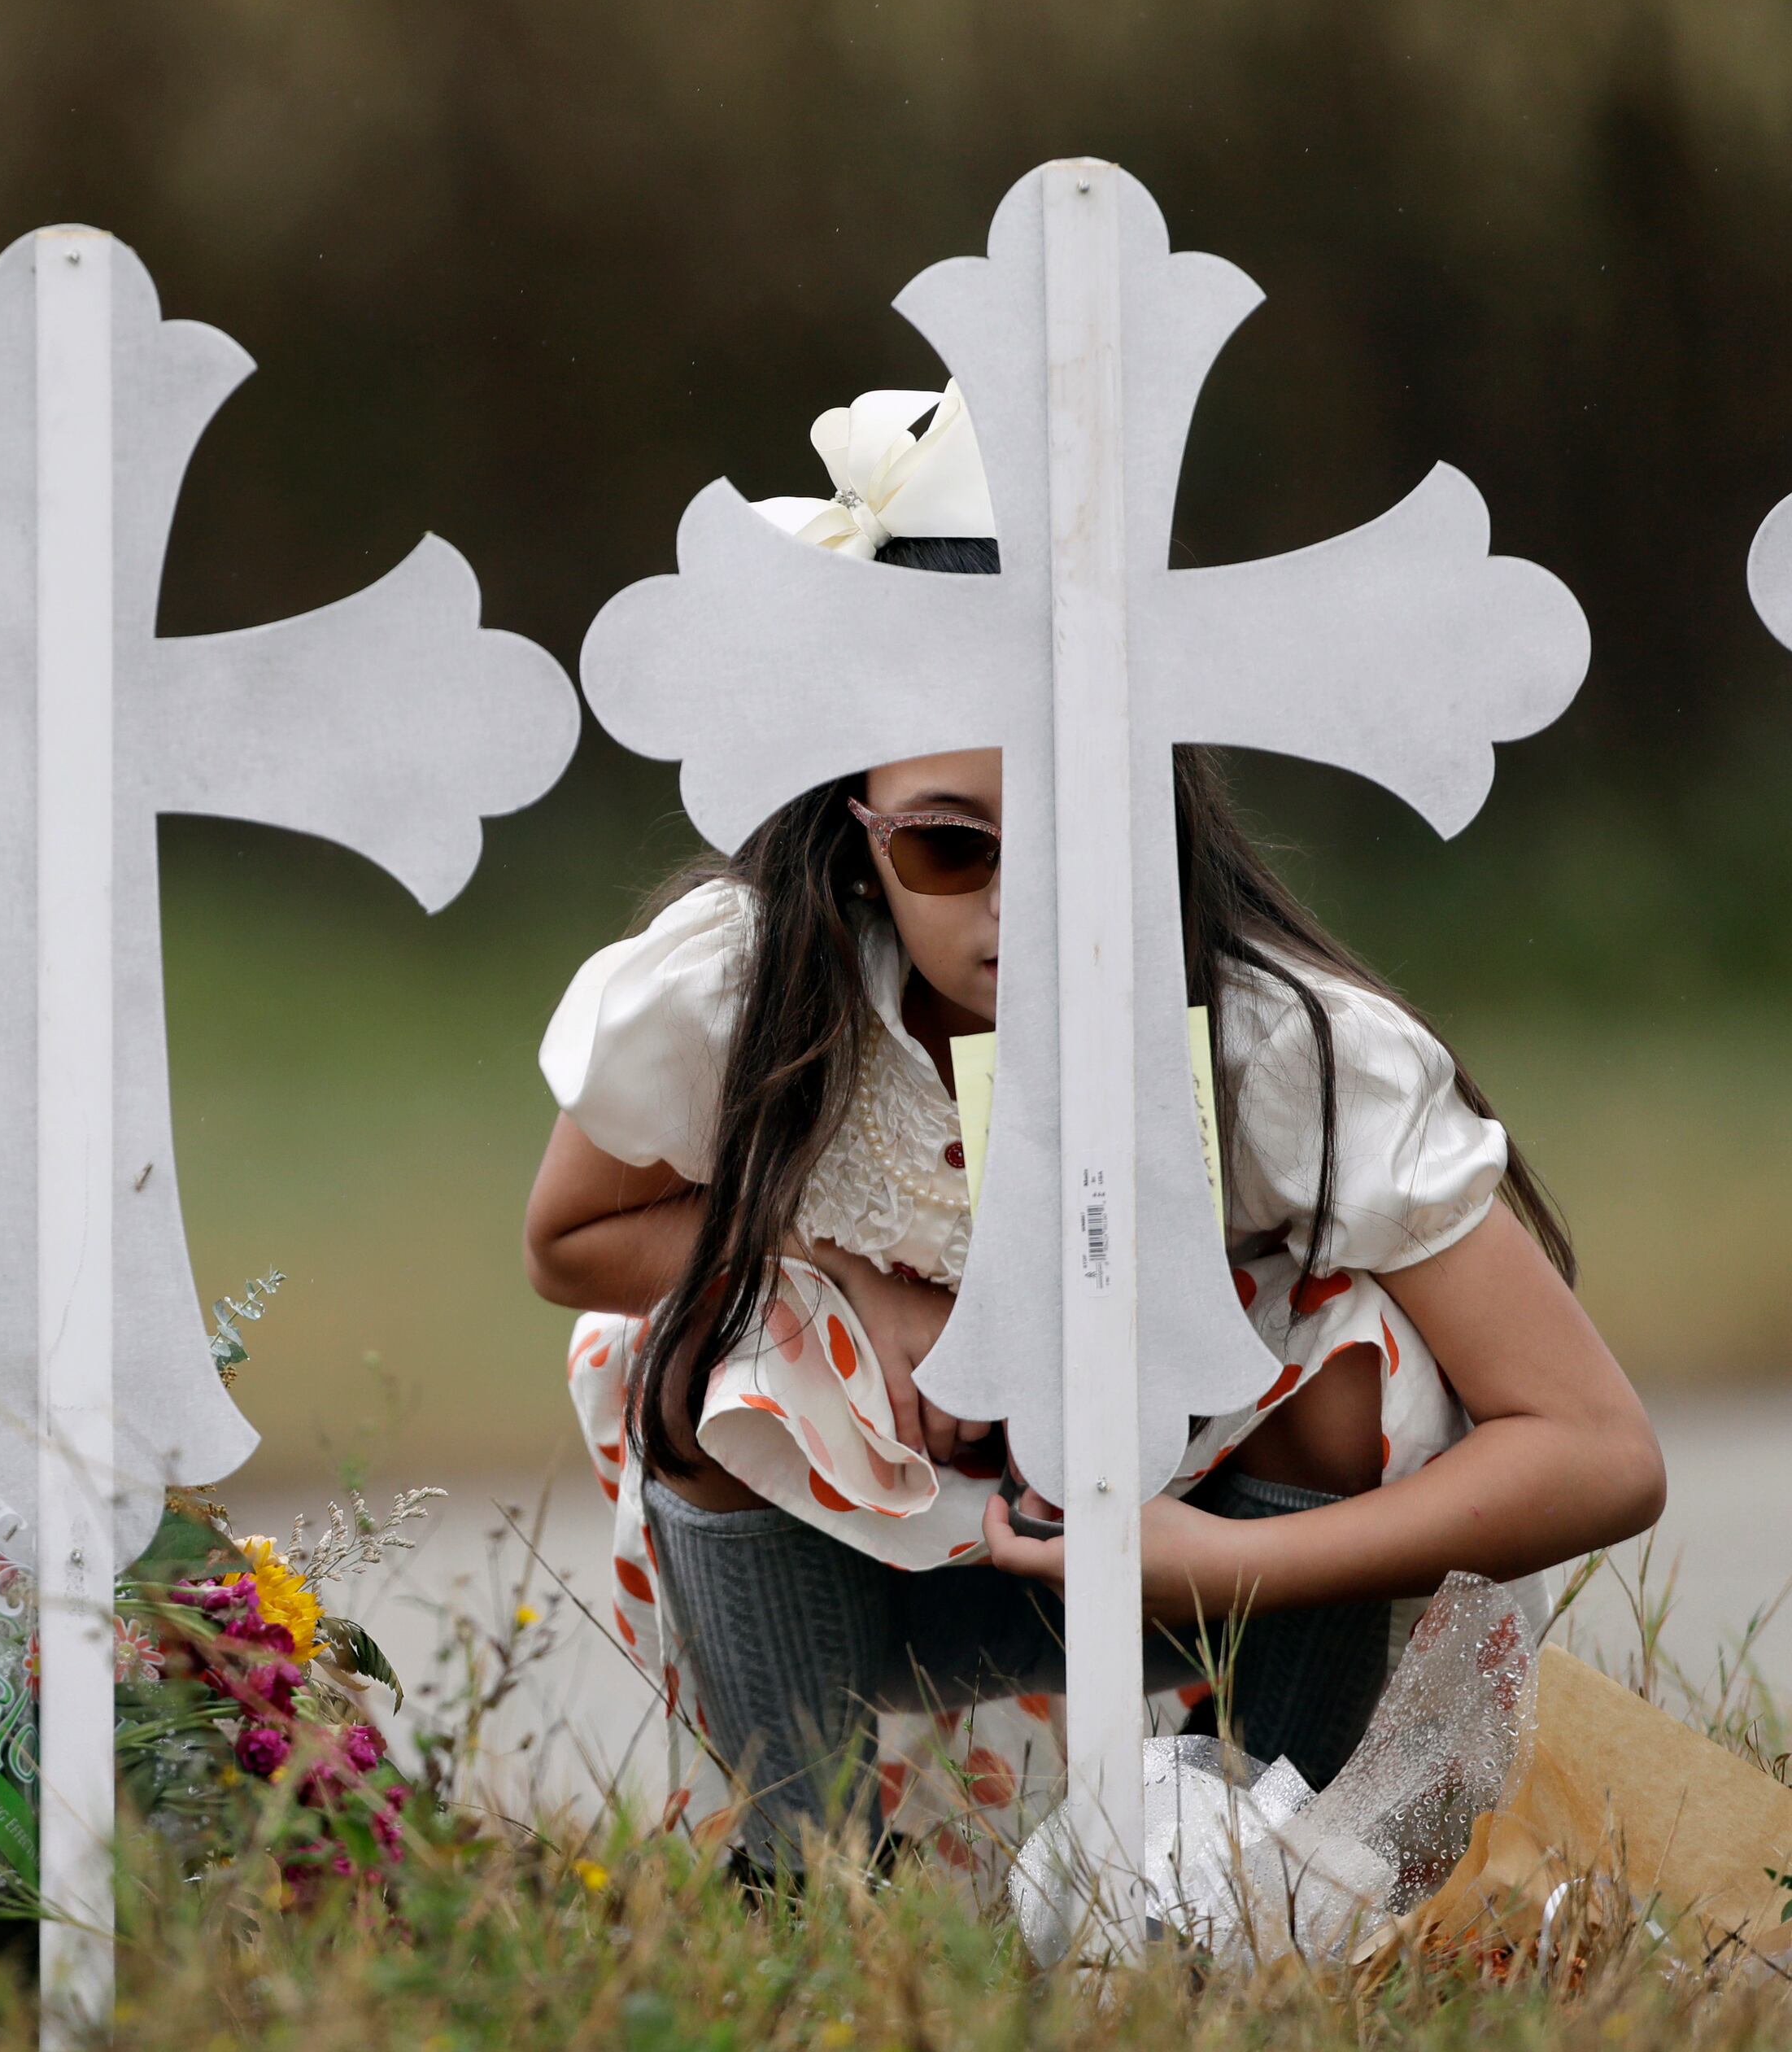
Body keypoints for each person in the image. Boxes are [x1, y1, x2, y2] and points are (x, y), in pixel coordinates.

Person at [522, 384, 1664, 1880]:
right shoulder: (748, 997)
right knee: (710, 1348)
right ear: (854, 837)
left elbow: (1598, 1451)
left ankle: (1284, 1868)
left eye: (1081, 829)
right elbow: (573, 1241)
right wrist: (860, 1283)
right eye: (950, 842)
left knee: (1350, 1348)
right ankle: (800, 1880)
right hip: (881, 1548)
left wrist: (1223, 1562)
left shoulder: (1279, 1054)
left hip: (1215, 1562)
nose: (1022, 903)